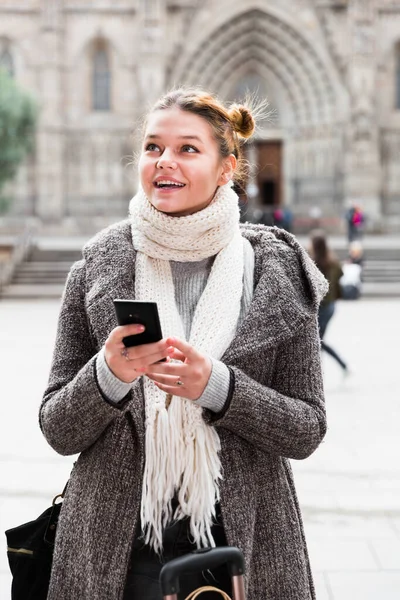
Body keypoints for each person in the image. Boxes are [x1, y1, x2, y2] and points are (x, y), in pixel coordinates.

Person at [40, 88, 328, 600]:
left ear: (227, 168)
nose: (164, 162)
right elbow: (58, 429)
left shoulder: (277, 273)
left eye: (188, 149)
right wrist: (108, 375)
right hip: (117, 553)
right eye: (153, 147)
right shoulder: (97, 266)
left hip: (244, 545)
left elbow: (306, 429)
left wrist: (217, 387)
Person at [309, 230, 349, 373]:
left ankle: (322, 372)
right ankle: (340, 365)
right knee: (318, 341)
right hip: (331, 306)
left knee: (317, 341)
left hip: (322, 307)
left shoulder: (315, 263)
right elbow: (341, 273)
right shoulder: (333, 261)